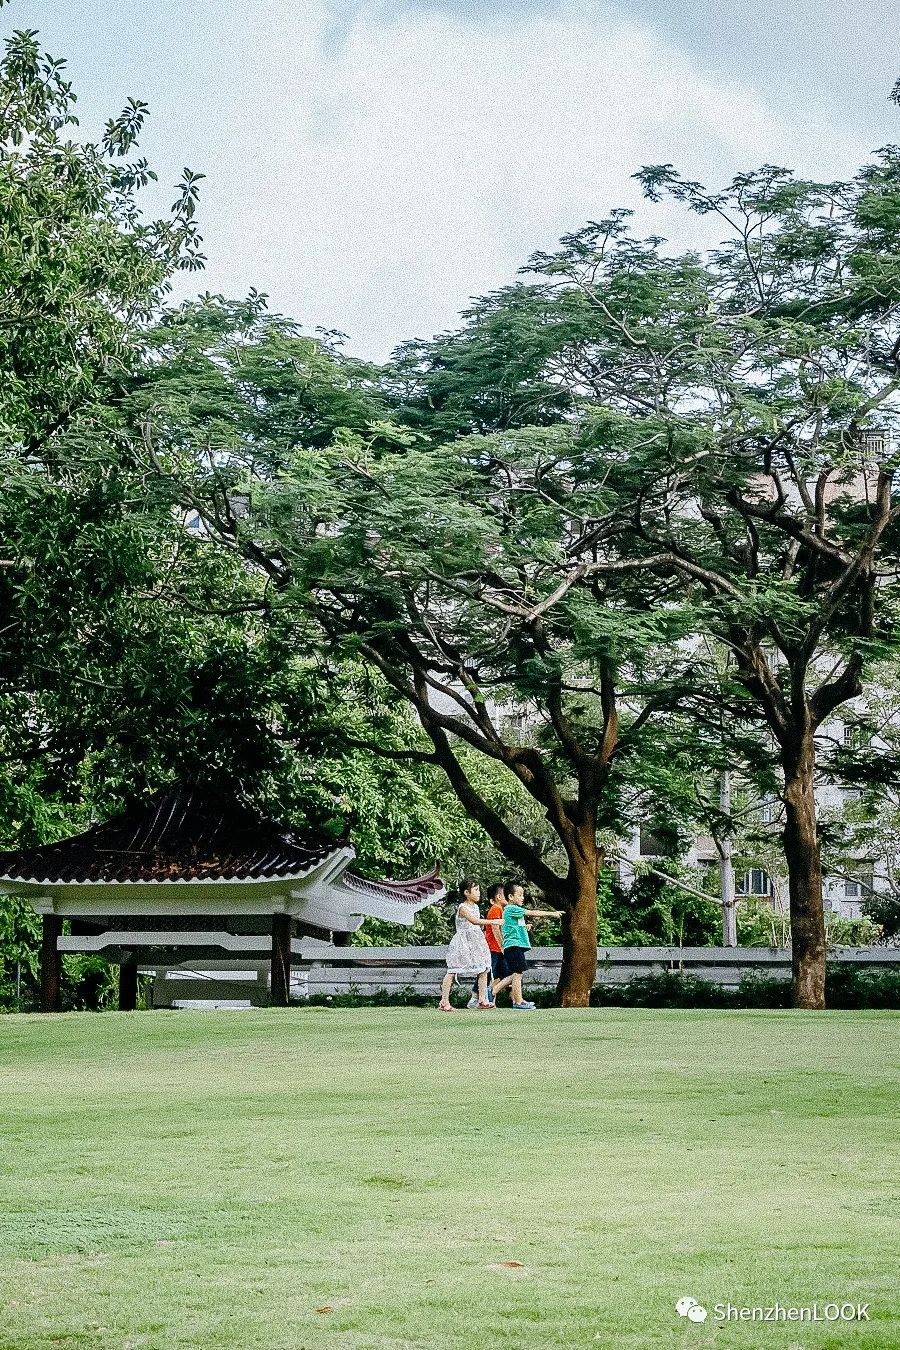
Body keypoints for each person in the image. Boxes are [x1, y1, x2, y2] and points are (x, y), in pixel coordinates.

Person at [491, 880, 562, 1010]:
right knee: (517, 974)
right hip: (513, 945)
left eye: (523, 895)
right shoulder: (512, 908)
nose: (522, 898)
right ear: (511, 897)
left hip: (514, 946)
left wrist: (526, 927)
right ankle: (518, 1001)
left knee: (517, 973)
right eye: (520, 895)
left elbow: (515, 926)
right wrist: (551, 913)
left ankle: (494, 991)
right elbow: (532, 913)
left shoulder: (512, 910)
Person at [438, 879, 497, 1011]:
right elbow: (475, 921)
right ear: (466, 892)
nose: (478, 893)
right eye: (475, 890)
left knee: (484, 968)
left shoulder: (475, 907)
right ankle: (444, 1002)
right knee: (453, 970)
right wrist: (494, 922)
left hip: (475, 942)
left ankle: (482, 1000)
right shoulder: (463, 908)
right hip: (463, 943)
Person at [467, 882, 506, 1009]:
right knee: (486, 973)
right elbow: (495, 929)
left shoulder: (501, 909)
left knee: (500, 974)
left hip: (496, 949)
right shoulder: (496, 908)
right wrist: (502, 946)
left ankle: (489, 997)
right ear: (499, 897)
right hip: (492, 948)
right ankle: (475, 997)